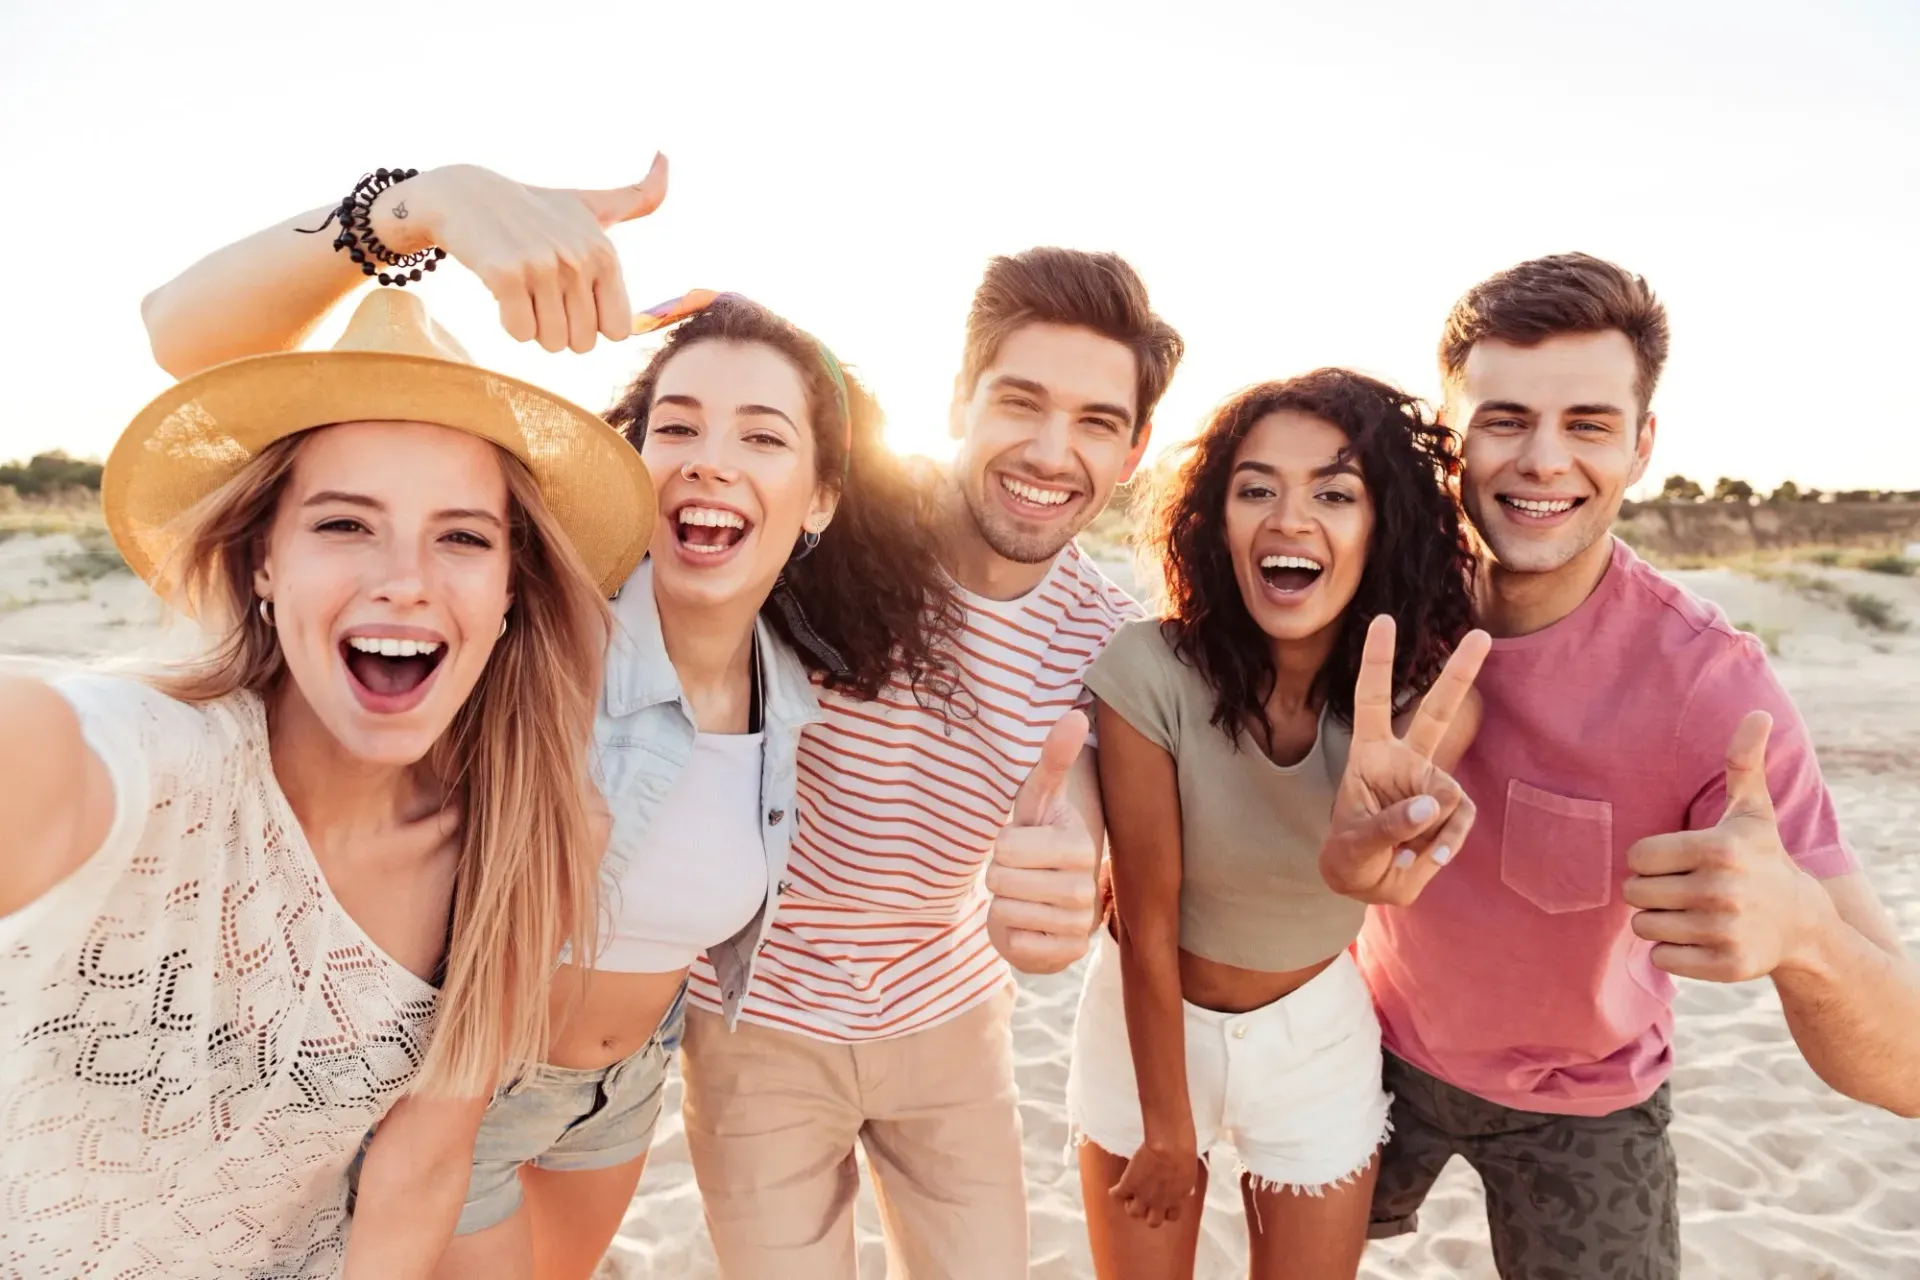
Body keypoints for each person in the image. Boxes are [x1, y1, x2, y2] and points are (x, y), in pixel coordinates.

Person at [139, 171, 962, 1280]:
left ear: (820, 497)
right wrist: (420, 201)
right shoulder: (536, 618)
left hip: (624, 1096)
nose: (711, 457)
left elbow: (1009, 516)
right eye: (679, 424)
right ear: (635, 461)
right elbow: (181, 330)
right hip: (464, 1093)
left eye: (764, 438)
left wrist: (778, 339)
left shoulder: (797, 682)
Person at [0, 285, 651, 1278]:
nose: (406, 577)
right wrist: (407, 209)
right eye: (346, 524)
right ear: (264, 557)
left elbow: (422, 1167)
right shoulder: (141, 762)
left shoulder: (534, 837)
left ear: (511, 584)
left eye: (464, 535)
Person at [1318, 252, 1920, 1280]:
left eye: (1588, 423)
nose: (1543, 459)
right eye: (1504, 418)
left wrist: (1807, 933)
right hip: (1364, 1047)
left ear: (1642, 446)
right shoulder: (1372, 591)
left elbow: (1905, 1068)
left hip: (1584, 1101)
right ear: (1453, 439)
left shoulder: (1713, 690)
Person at [675, 245, 1186, 1279]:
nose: (1051, 450)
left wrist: (1072, 867)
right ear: (957, 399)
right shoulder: (828, 534)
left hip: (952, 1018)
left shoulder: (1114, 640)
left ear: (1133, 453)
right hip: (753, 1019)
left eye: (1096, 422)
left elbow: (1080, 795)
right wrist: (768, 340)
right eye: (1020, 401)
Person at [1071, 370, 1489, 1280]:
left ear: (1383, 527)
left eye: (1334, 494)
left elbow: (1375, 862)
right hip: (1144, 1024)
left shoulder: (1426, 702)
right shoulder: (1150, 670)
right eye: (1255, 488)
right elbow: (1147, 917)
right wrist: (1168, 1126)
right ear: (1216, 521)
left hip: (1315, 1039)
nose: (1289, 520)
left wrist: (1359, 858)